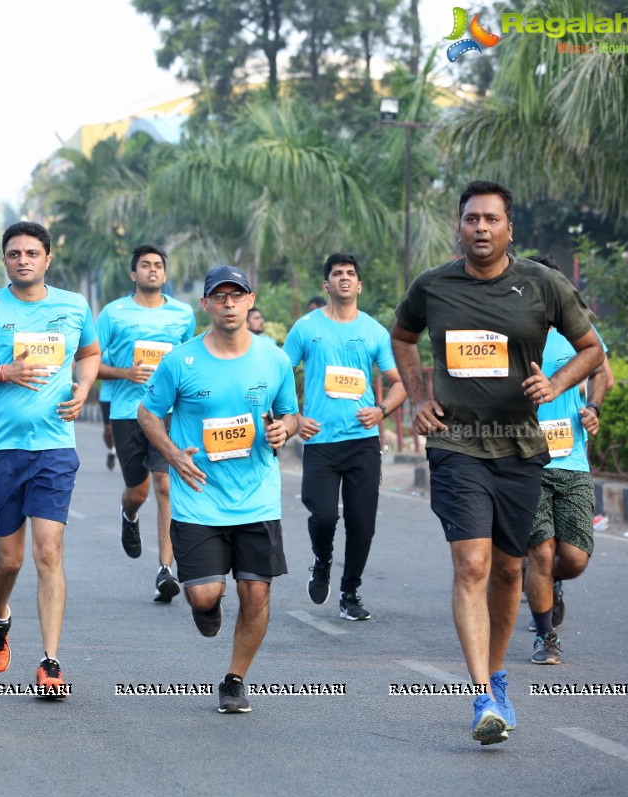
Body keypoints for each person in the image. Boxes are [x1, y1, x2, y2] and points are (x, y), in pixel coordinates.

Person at [390, 181, 603, 745]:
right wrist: (416, 396)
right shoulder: (433, 286)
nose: (480, 228)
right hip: (456, 444)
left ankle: (500, 675)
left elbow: (592, 351)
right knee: (473, 565)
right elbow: (403, 337)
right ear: (458, 226)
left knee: (511, 569)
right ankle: (482, 695)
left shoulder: (541, 283)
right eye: (470, 219)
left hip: (521, 447)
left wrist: (555, 381)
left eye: (490, 219)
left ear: (509, 228)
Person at [0, 221, 100, 697]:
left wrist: (84, 388)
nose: (24, 260)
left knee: (48, 552)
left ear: (48, 258)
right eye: (14, 253)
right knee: (9, 562)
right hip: (2, 450)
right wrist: (0, 371)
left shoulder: (73, 306)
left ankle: (50, 662)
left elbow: (90, 353)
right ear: (5, 260)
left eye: (33, 252)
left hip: (54, 446)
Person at [138, 264, 298, 714]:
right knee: (205, 596)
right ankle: (206, 605)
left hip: (257, 495)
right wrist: (172, 454)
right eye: (220, 297)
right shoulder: (180, 361)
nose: (229, 304)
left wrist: (283, 431)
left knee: (257, 592)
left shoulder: (274, 357)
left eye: (237, 295)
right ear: (205, 304)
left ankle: (235, 678)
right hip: (200, 496)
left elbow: (288, 414)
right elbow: (148, 413)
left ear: (250, 301)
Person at [284, 254, 407, 621]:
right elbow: (280, 372)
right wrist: (295, 416)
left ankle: (349, 591)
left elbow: (399, 383)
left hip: (363, 441)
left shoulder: (373, 331)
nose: (344, 279)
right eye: (337, 274)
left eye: (351, 274)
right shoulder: (306, 327)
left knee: (362, 523)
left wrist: (382, 410)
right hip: (320, 440)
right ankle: (322, 560)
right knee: (322, 516)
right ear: (326, 285)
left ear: (359, 285)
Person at [524, 255, 613, 665]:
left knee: (573, 559)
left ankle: (547, 584)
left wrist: (592, 407)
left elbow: (602, 372)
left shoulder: (578, 330)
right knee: (540, 552)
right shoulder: (513, 331)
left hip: (571, 460)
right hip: (525, 459)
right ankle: (546, 637)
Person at [96, 245, 196, 601]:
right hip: (126, 413)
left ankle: (165, 569)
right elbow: (89, 359)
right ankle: (129, 514)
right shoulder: (114, 313)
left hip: (166, 412)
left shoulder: (183, 314)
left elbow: (191, 360)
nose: (152, 270)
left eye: (158, 266)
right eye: (145, 265)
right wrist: (124, 372)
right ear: (133, 274)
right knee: (137, 492)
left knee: (165, 485)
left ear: (165, 275)